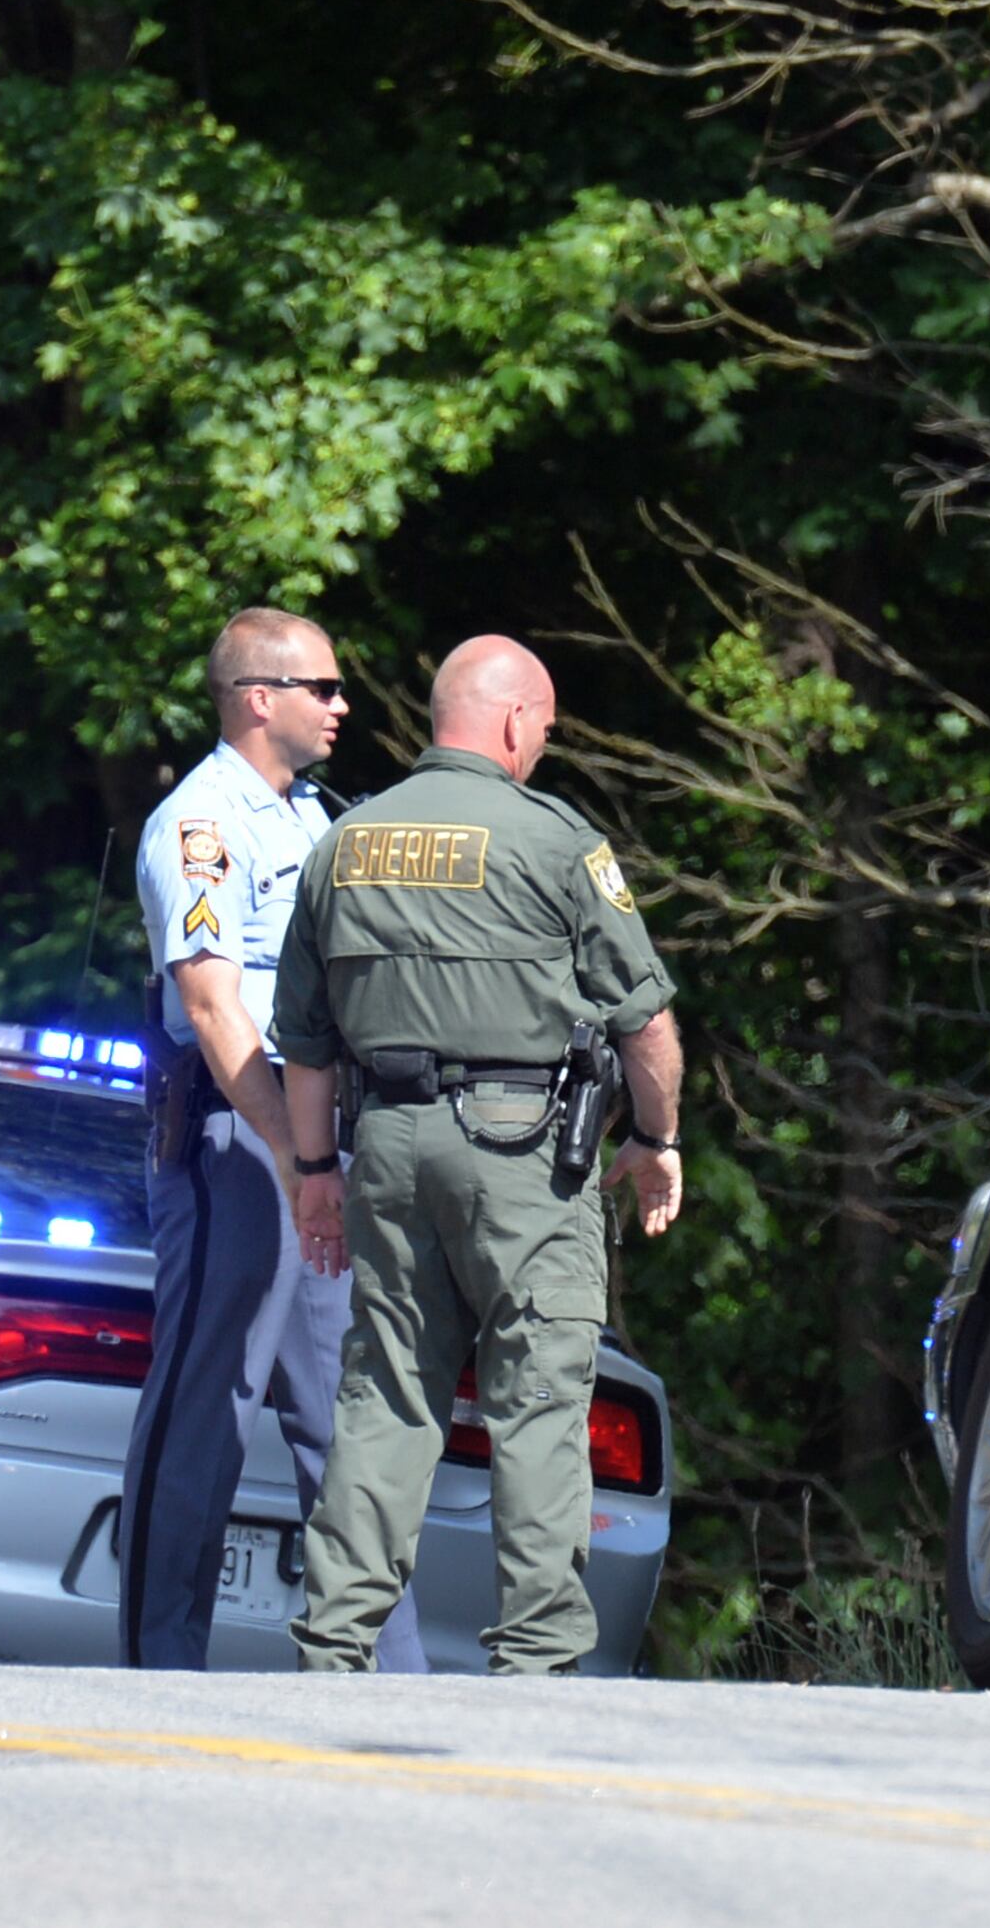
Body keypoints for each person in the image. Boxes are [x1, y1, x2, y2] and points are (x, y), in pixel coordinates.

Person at [275, 635, 686, 1675]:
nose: (542, 746)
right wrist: (655, 1139)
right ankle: (538, 1657)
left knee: (386, 1391)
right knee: (540, 1393)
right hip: (522, 1155)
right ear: (513, 720)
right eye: (543, 728)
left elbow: (307, 1042)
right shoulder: (557, 841)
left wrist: (316, 1176)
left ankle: (333, 1644)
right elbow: (646, 1024)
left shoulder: (343, 843)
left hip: (388, 1146)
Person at [117, 608, 426, 1671]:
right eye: (322, 688)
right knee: (209, 1404)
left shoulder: (315, 822)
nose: (342, 706)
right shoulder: (201, 825)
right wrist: (298, 1159)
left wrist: (328, 1156)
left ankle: (382, 1679)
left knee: (352, 1417)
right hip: (241, 1143)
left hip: (316, 1150)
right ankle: (164, 1669)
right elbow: (212, 1007)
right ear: (259, 697)